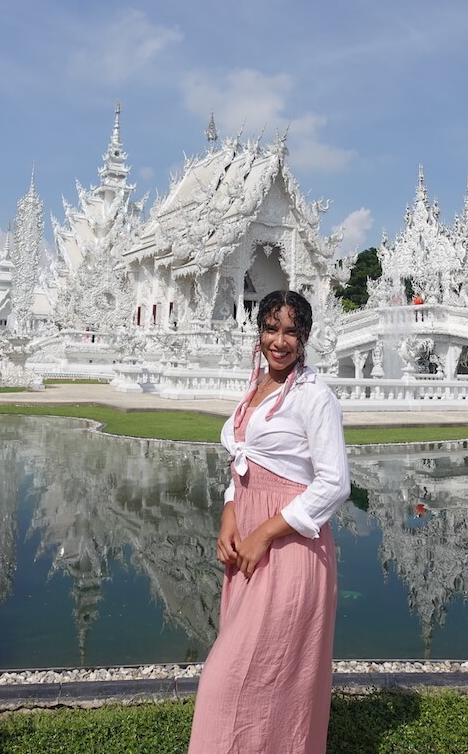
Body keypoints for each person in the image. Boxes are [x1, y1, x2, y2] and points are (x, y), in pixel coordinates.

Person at [188, 290, 350, 754]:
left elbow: (335, 483)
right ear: (258, 332)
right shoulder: (257, 387)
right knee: (257, 675)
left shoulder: (313, 396)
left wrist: (263, 533)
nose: (279, 341)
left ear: (305, 337)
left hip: (291, 547)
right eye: (271, 329)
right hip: (249, 544)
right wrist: (229, 518)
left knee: (238, 676)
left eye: (291, 331)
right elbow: (244, 467)